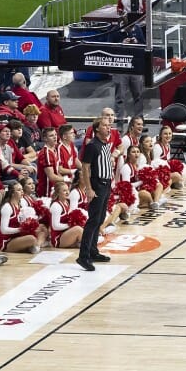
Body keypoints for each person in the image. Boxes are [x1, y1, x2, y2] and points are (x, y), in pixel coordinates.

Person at [75, 116, 114, 271]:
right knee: (92, 221)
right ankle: (83, 256)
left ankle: (93, 251)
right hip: (97, 185)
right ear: (97, 128)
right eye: (104, 125)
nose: (108, 127)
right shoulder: (92, 145)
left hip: (106, 184)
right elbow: (85, 167)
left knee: (100, 219)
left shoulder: (105, 144)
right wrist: (89, 188)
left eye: (109, 125)